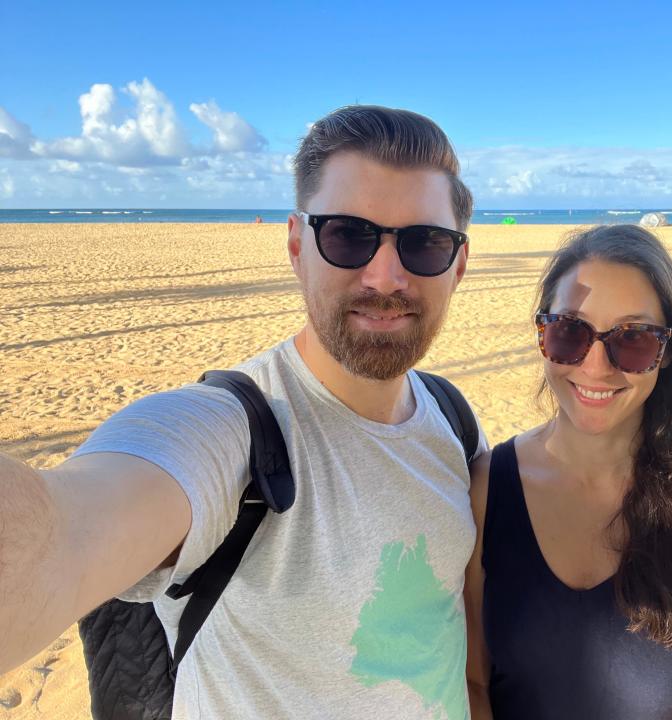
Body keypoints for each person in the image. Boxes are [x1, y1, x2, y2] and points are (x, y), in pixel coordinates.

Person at [1, 106, 487, 719]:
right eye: (347, 234)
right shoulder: (231, 430)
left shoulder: (454, 420)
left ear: (459, 265)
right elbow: (62, 532)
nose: (385, 276)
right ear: (296, 246)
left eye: (424, 243)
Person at [464, 225, 672, 719]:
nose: (596, 367)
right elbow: (473, 683)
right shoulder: (486, 492)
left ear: (668, 351)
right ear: (542, 334)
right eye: (570, 331)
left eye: (633, 339)